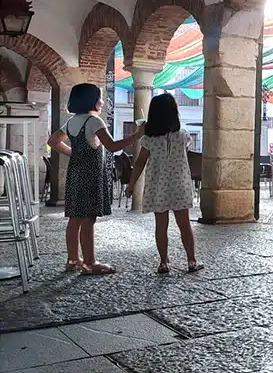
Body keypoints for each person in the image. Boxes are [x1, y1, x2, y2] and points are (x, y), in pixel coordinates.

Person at [47, 83, 144, 274]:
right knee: (89, 219)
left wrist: (74, 152)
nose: (102, 101)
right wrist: (136, 136)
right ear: (91, 100)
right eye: (99, 97)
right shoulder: (94, 121)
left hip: (75, 173)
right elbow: (113, 146)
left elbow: (53, 141)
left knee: (74, 218)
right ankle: (91, 263)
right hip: (91, 176)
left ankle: (73, 259)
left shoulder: (72, 121)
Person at [127, 93, 203, 274]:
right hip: (179, 185)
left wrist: (131, 185)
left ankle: (163, 263)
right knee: (184, 224)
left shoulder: (149, 140)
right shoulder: (183, 136)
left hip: (157, 186)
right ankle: (191, 261)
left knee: (161, 226)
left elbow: (139, 163)